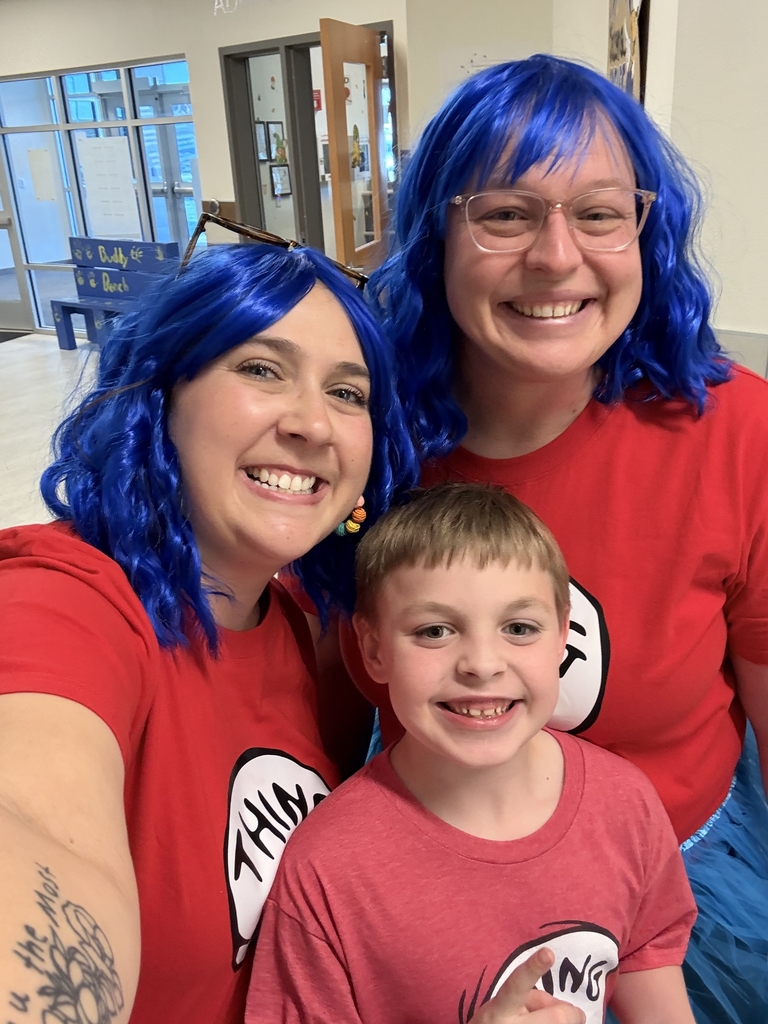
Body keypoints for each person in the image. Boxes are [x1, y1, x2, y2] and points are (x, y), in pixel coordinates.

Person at [322, 54, 768, 1022]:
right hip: (425, 893)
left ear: (647, 231)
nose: (558, 257)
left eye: (600, 213)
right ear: (437, 235)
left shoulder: (738, 436)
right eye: (507, 213)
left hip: (683, 914)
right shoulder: (366, 443)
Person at [0, 243, 416, 1024]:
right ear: (161, 396)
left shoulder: (303, 625)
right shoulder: (67, 599)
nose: (312, 423)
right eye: (261, 369)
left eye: (348, 392)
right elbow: (29, 816)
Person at [246, 483, 698, 1024]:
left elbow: (648, 952)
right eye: (435, 630)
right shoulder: (327, 869)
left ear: (563, 639)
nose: (482, 664)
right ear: (373, 650)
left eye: (519, 628)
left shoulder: (624, 801)